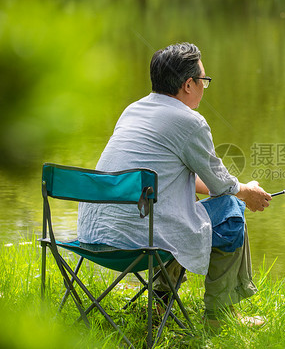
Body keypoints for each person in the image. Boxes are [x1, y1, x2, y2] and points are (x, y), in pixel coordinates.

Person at [77, 42, 271, 326]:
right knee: (230, 212)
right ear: (188, 85)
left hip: (95, 237)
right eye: (204, 80)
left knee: (183, 210)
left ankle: (160, 303)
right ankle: (221, 315)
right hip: (140, 241)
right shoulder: (189, 121)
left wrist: (237, 187)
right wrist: (245, 192)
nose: (205, 87)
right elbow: (222, 188)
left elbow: (171, 177)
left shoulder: (133, 110)